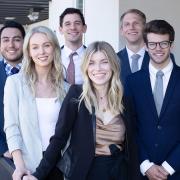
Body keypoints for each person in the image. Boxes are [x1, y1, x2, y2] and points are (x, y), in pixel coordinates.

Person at [23, 41, 140, 180]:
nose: (98, 68)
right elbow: (59, 138)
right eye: (91, 63)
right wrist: (38, 175)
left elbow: (132, 145)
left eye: (104, 62)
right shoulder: (76, 95)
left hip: (119, 173)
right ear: (86, 67)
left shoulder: (125, 100)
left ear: (113, 65)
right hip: (85, 173)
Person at [4, 26, 69, 180]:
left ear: (54, 49)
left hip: (60, 165)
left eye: (46, 45)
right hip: (28, 166)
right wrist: (20, 166)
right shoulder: (15, 83)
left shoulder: (67, 89)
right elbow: (12, 127)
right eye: (35, 47)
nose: (42, 52)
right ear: (29, 52)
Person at [125, 20, 180, 180]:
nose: (158, 49)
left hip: (177, 170)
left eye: (163, 43)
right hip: (142, 170)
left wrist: (169, 167)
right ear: (146, 46)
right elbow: (130, 127)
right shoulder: (132, 81)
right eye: (153, 44)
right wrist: (145, 165)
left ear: (171, 45)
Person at [0, 20, 25, 166]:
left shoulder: (41, 71)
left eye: (17, 39)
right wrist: (3, 148)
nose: (11, 45)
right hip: (5, 156)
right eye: (5, 40)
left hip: (40, 154)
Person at [117, 9, 149, 85]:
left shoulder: (160, 58)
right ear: (122, 30)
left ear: (145, 28)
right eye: (127, 24)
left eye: (136, 23)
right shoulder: (113, 59)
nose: (131, 27)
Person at [59, 7, 87, 85]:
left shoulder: (92, 56)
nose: (73, 27)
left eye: (77, 23)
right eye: (67, 24)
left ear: (84, 28)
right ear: (61, 29)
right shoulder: (53, 56)